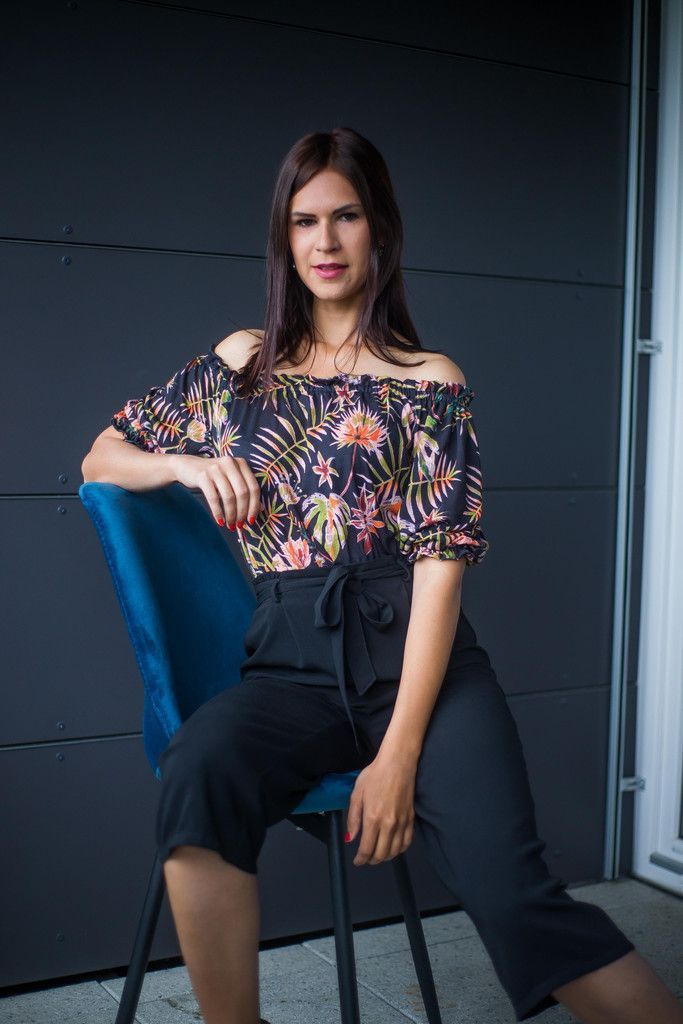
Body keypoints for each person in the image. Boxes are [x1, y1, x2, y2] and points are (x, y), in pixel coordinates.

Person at [82, 127, 683, 1024]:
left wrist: (396, 757)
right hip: (288, 668)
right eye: (304, 222)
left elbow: (440, 573)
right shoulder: (242, 363)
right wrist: (181, 464)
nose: (324, 242)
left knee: (518, 896)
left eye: (347, 216)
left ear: (381, 229)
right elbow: (100, 456)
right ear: (283, 238)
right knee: (198, 774)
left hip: (422, 670)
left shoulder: (430, 381)